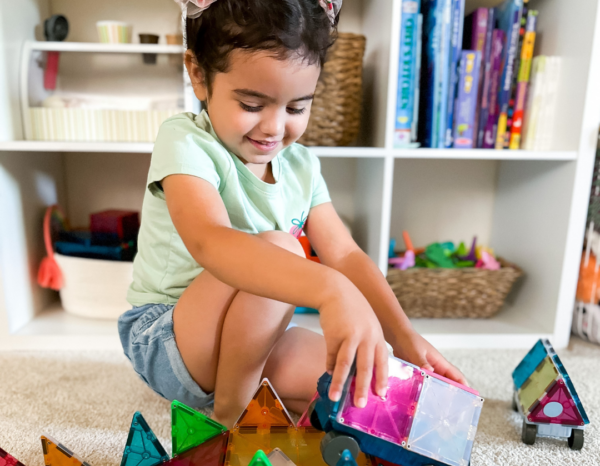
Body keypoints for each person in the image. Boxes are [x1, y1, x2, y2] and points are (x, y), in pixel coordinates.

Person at [118, 0, 466, 428]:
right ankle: (231, 417)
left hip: (248, 342)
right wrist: (330, 291)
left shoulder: (301, 166)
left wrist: (403, 338)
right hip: (168, 338)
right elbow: (209, 241)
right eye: (251, 104)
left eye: (297, 108)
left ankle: (252, 397)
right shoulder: (186, 140)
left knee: (358, 376)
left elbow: (345, 255)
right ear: (198, 75)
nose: (273, 127)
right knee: (282, 248)